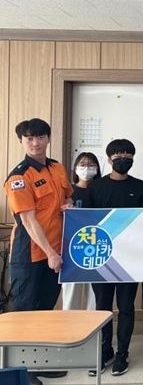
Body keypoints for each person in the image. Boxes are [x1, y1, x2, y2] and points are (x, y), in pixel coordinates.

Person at [4, 118, 73, 385]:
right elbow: (29, 221)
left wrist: (68, 204)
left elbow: (67, 196)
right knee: (25, 313)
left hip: (56, 250)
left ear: (48, 138)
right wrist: (51, 254)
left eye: (40, 137)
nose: (35, 143)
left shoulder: (57, 168)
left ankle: (39, 363)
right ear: (21, 141)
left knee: (45, 311)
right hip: (30, 254)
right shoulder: (19, 177)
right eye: (30, 138)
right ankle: (22, 372)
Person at [89, 139, 143, 376]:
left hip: (129, 259)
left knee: (126, 308)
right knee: (102, 308)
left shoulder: (140, 186)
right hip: (101, 258)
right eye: (118, 155)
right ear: (109, 158)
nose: (123, 158)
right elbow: (86, 221)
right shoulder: (95, 187)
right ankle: (105, 352)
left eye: (128, 155)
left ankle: (123, 353)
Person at [62, 152, 100, 311]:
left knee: (94, 297)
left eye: (91, 165)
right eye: (83, 165)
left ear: (97, 169)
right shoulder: (67, 191)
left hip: (97, 248)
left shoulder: (101, 190)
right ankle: (69, 326)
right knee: (71, 294)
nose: (87, 169)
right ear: (75, 168)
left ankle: (94, 327)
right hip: (72, 248)